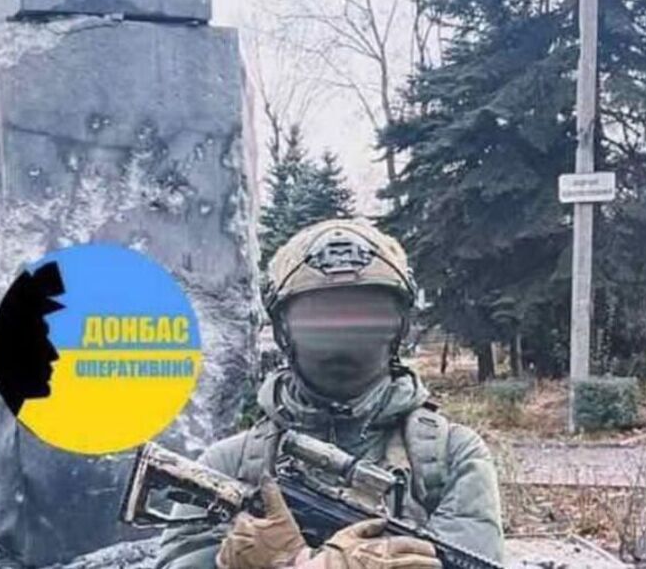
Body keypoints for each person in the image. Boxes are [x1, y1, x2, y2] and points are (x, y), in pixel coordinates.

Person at [157, 220, 506, 569]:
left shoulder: (447, 457)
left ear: (398, 325)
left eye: (365, 313)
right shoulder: (230, 465)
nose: (344, 331)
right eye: (320, 315)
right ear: (283, 329)